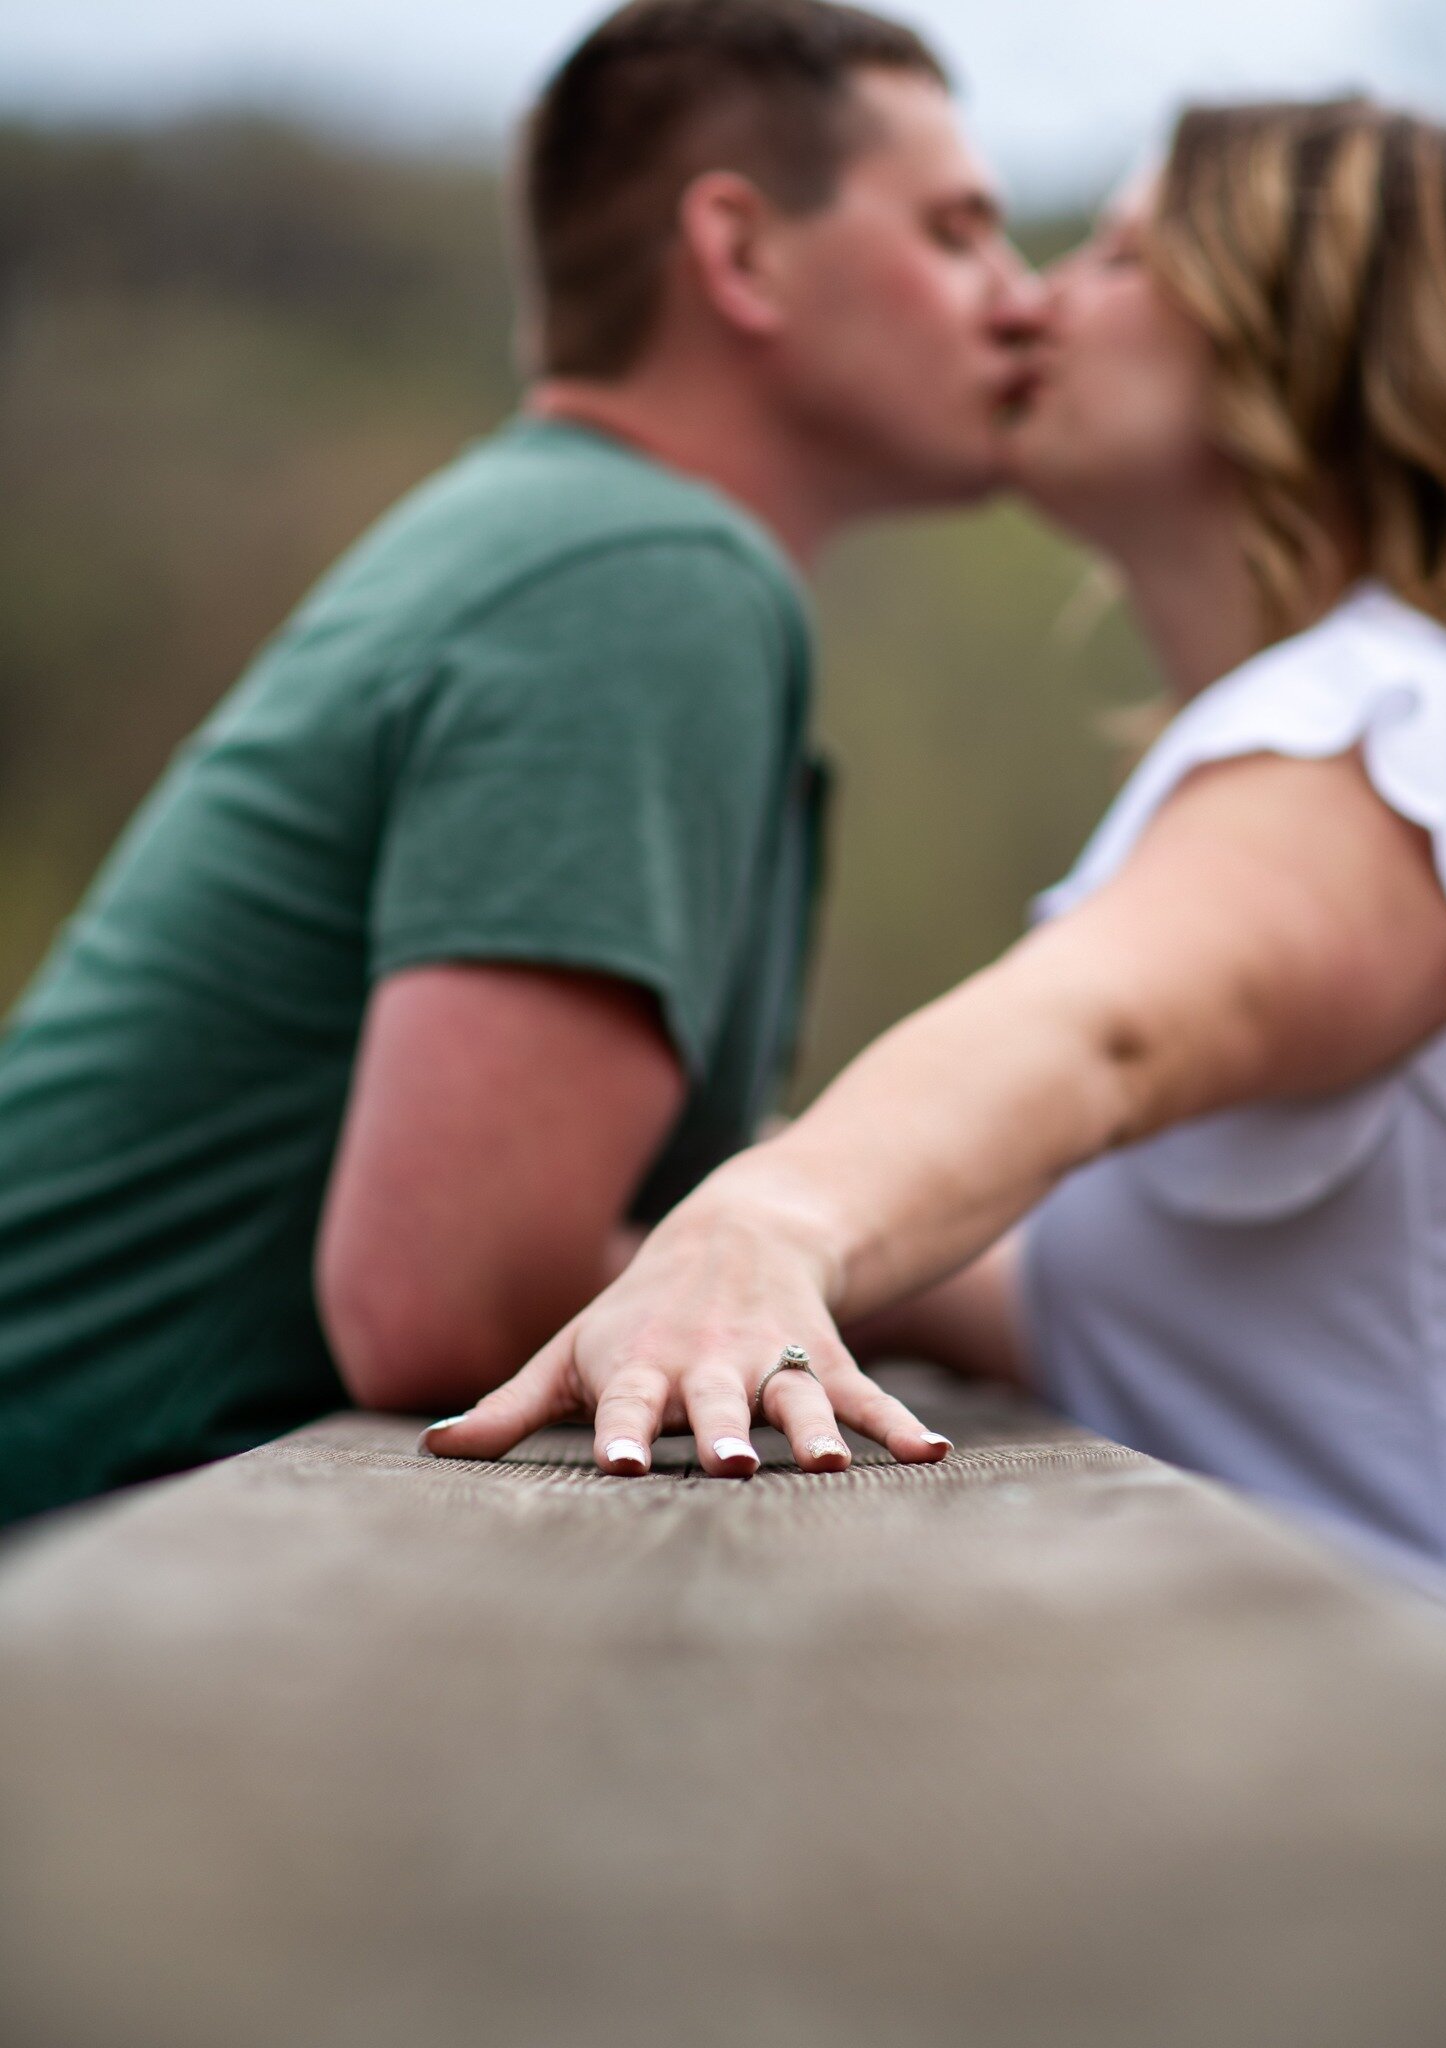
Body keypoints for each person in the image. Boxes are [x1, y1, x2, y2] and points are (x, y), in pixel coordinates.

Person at [429, 100, 1446, 1718]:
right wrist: (564, 1236)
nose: (1034, 299)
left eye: (1125, 255)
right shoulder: (1418, 738)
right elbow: (1054, 1283)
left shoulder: (1396, 737)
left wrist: (767, 1223)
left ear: (1310, 339)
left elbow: (1100, 1035)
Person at [0, 0, 1043, 1524]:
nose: (1019, 302)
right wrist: (918, 1293)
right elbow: (446, 1293)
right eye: (958, 233)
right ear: (741, 255)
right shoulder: (639, 573)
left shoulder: (573, 538)